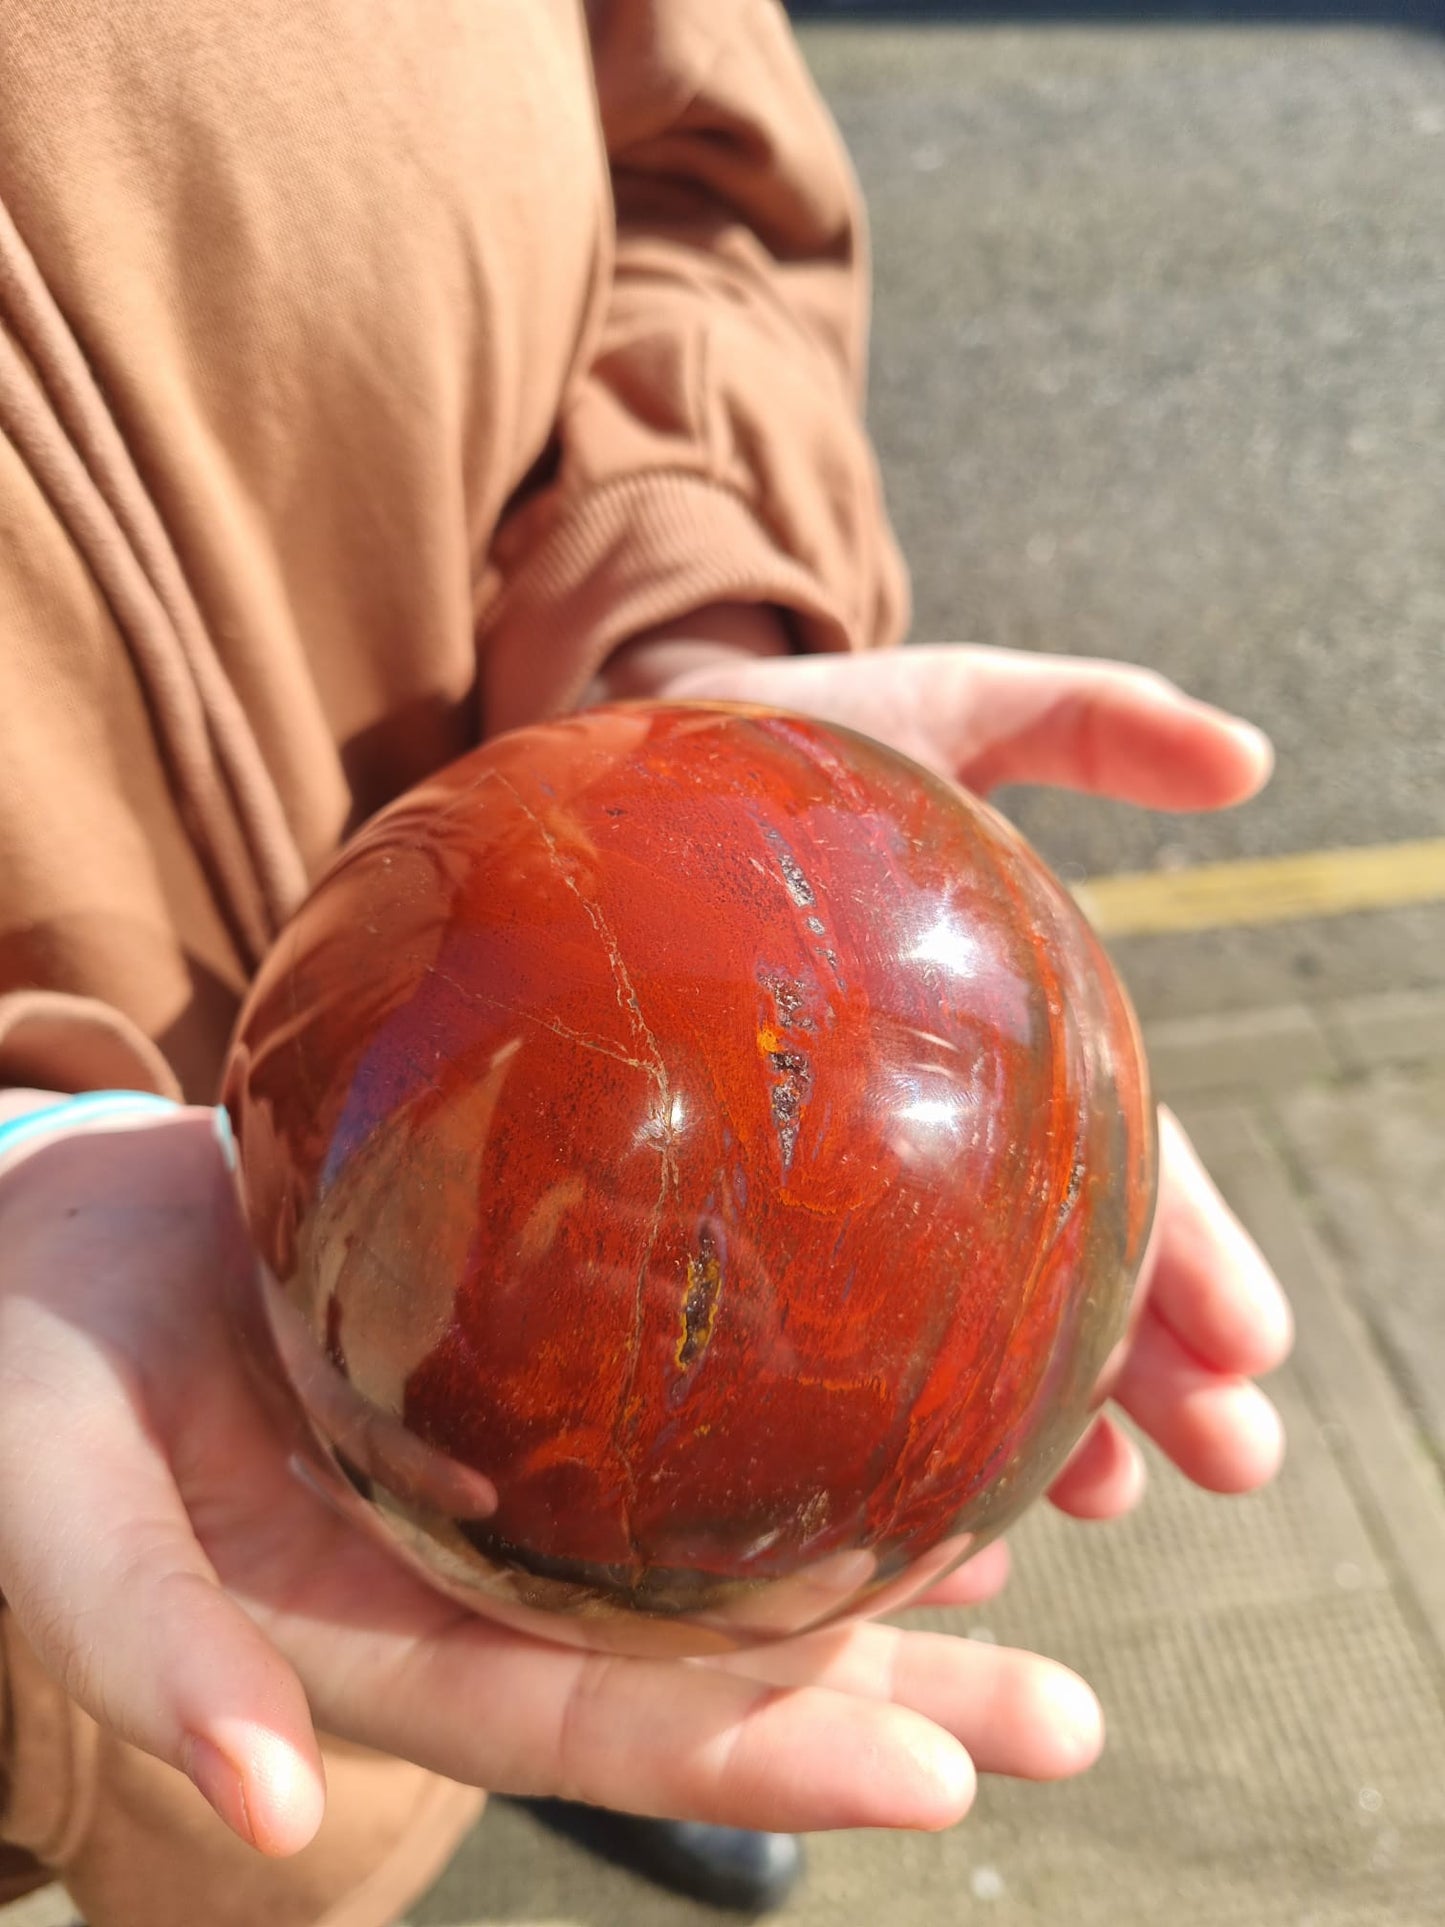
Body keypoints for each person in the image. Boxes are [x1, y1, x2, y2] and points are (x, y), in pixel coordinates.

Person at [0, 2, 1293, 1922]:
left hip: (491, 1386)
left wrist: (675, 616)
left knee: (578, 1643)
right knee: (273, 1730)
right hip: (110, 1511)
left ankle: (599, 1730)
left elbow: (693, 168)